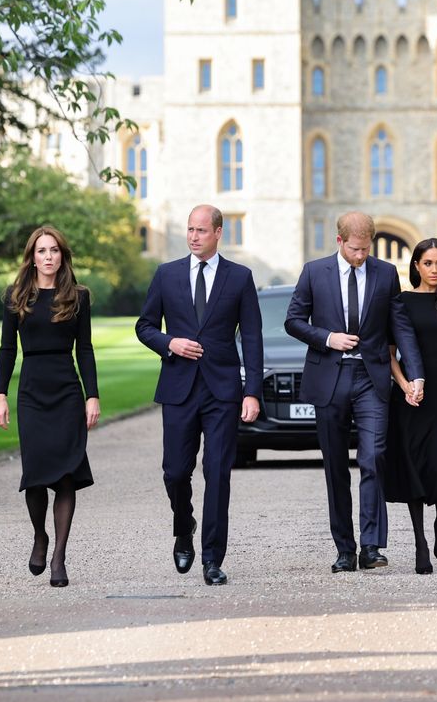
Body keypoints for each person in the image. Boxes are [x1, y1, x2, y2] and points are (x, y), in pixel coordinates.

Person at [285, 211, 424, 573]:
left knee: (374, 457)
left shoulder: (385, 273)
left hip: (371, 378)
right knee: (335, 467)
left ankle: (372, 547)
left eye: (366, 249)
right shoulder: (314, 272)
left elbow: (401, 326)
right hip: (329, 376)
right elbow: (294, 321)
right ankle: (344, 549)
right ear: (339, 241)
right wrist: (328, 338)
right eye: (355, 249)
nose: (361, 256)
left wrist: (416, 374)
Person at [135, 204, 263, 586]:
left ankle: (212, 558)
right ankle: (183, 524)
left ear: (218, 232)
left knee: (218, 472)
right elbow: (144, 326)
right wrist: (169, 342)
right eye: (190, 229)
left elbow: (253, 338)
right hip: (178, 388)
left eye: (201, 230)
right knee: (175, 472)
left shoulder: (239, 278)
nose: (193, 236)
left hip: (223, 390)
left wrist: (251, 392)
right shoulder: (167, 274)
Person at [0, 226, 100, 587]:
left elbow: (84, 350)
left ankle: (59, 556)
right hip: (32, 393)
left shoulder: (78, 297)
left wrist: (92, 395)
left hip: (67, 392)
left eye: (54, 250)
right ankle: (40, 536)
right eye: (42, 251)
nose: (48, 257)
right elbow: (7, 349)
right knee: (36, 476)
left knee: (66, 475)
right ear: (32, 256)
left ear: (62, 255)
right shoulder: (15, 296)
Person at [385, 238, 437, 574]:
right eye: (428, 263)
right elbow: (390, 354)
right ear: (416, 265)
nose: (434, 269)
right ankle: (420, 541)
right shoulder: (400, 303)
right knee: (413, 460)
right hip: (409, 395)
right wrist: (405, 385)